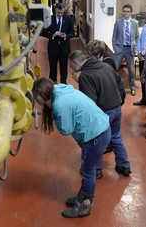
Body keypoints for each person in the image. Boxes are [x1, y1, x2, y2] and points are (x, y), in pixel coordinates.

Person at [32, 77, 111, 218]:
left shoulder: (59, 105)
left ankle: (84, 206)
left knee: (88, 171)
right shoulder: (59, 90)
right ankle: (81, 198)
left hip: (96, 136)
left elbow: (66, 129)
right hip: (100, 130)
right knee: (89, 169)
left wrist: (55, 114)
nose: (36, 101)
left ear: (43, 94)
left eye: (36, 96)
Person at [68, 50, 131, 177]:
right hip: (117, 108)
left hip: (103, 113)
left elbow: (89, 103)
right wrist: (119, 102)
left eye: (71, 65)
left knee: (98, 141)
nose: (71, 68)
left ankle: (96, 170)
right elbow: (120, 85)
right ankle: (124, 166)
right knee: (116, 137)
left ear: (76, 63)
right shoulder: (106, 66)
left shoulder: (85, 76)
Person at [41, 3, 74, 84]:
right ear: (55, 11)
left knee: (64, 70)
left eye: (61, 13)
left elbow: (72, 33)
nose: (60, 15)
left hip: (64, 49)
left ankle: (63, 85)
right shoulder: (49, 19)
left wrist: (66, 35)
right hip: (53, 48)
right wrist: (53, 35)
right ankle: (53, 85)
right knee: (52, 70)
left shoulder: (68, 19)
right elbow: (44, 32)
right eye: (58, 13)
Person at [112, 4, 139, 96]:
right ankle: (114, 87)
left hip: (130, 50)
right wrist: (115, 48)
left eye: (127, 11)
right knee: (114, 68)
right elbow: (114, 36)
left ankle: (132, 87)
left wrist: (135, 49)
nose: (125, 13)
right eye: (124, 11)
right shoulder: (118, 22)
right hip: (120, 48)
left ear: (131, 12)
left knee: (131, 71)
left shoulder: (135, 23)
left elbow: (137, 37)